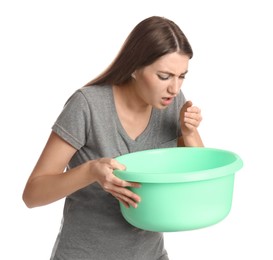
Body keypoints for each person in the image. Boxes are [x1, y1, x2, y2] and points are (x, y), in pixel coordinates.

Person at [22, 16, 204, 260]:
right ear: (135, 68)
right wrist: (91, 172)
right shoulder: (87, 105)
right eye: (164, 76)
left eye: (182, 76)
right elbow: (32, 194)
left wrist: (190, 133)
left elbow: (198, 184)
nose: (175, 88)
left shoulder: (172, 105)